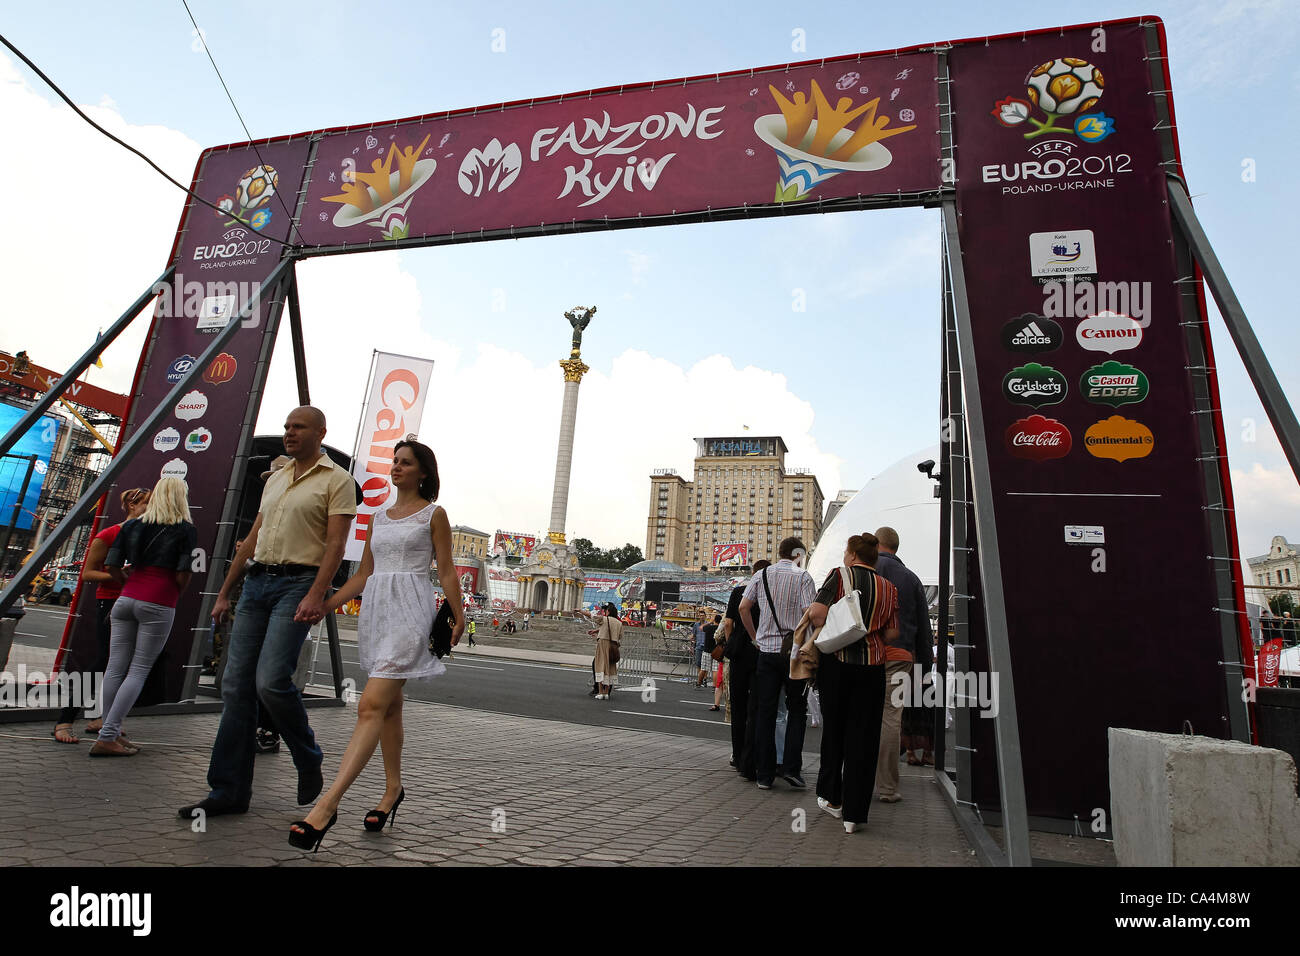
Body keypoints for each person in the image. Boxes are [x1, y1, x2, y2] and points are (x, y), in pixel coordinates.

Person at [179, 406, 355, 819]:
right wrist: (224, 593)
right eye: (286, 427)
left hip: (297, 585)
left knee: (271, 681)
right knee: (235, 686)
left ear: (320, 433)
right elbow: (251, 539)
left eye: (298, 428)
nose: (289, 433)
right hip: (257, 584)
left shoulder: (338, 481)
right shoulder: (275, 479)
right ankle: (228, 791)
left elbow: (335, 545)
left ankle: (308, 755)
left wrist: (316, 594)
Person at [289, 440, 465, 851]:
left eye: (405, 463)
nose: (396, 467)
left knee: (370, 705)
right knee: (389, 707)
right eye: (395, 461)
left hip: (412, 614)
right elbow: (364, 573)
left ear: (423, 472)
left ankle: (327, 805)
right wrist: (326, 603)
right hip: (379, 612)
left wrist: (458, 616)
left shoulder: (433, 514)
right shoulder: (378, 516)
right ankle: (392, 791)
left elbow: (447, 571)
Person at [89, 477, 197, 756]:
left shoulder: (134, 525)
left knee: (115, 668)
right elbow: (183, 572)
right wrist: (176, 591)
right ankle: (109, 734)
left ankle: (107, 730)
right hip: (159, 599)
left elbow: (112, 563)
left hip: (125, 599)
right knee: (138, 670)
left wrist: (124, 581)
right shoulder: (185, 529)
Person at [809, 532, 899, 833]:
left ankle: (832, 799)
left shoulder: (839, 575)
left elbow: (818, 613)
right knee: (865, 738)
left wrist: (837, 625)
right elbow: (891, 635)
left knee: (834, 730)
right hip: (872, 668)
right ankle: (855, 815)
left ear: (852, 554)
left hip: (838, 664)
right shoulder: (889, 588)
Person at [51, 487, 150, 745]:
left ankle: (106, 720)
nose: (150, 510)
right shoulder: (109, 534)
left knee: (128, 664)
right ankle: (65, 720)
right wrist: (119, 575)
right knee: (104, 661)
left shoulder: (149, 535)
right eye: (146, 505)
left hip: (138, 602)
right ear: (131, 505)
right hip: (111, 602)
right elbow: (87, 574)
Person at [739, 538, 815, 790]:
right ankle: (792, 768)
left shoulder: (761, 575)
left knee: (766, 712)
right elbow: (809, 614)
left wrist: (754, 637)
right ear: (797, 554)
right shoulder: (803, 577)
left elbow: (743, 607)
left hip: (767, 654)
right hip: (793, 655)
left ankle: (764, 774)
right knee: (796, 710)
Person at [873, 526, 934, 802]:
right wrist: (925, 670)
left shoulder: (864, 569)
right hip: (900, 657)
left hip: (866, 653)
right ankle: (887, 787)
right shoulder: (911, 579)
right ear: (896, 547)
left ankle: (856, 776)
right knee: (891, 718)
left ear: (876, 544)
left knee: (862, 713)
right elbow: (923, 626)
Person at [724, 560, 768, 773]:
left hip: (740, 653)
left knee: (738, 706)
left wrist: (731, 642)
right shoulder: (768, 594)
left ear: (752, 573)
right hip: (761, 651)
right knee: (756, 708)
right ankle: (751, 757)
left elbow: (728, 623)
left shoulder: (739, 591)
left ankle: (737, 754)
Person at [589, 602, 622, 699]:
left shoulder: (604, 619)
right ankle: (606, 692)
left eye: (605, 610)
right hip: (613, 648)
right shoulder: (619, 622)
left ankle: (600, 692)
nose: (604, 611)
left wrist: (580, 611)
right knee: (610, 669)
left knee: (599, 667)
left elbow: (592, 616)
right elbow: (619, 636)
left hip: (603, 647)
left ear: (608, 611)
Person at [707, 614, 725, 711]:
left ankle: (716, 704)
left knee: (720, 680)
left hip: (727, 654)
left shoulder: (726, 620)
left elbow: (717, 636)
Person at [698, 613, 718, 689]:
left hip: (707, 650)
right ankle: (714, 686)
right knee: (715, 670)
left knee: (703, 668)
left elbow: (701, 628)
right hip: (716, 651)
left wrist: (710, 622)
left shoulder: (709, 627)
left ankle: (699, 684)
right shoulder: (720, 628)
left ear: (714, 620)